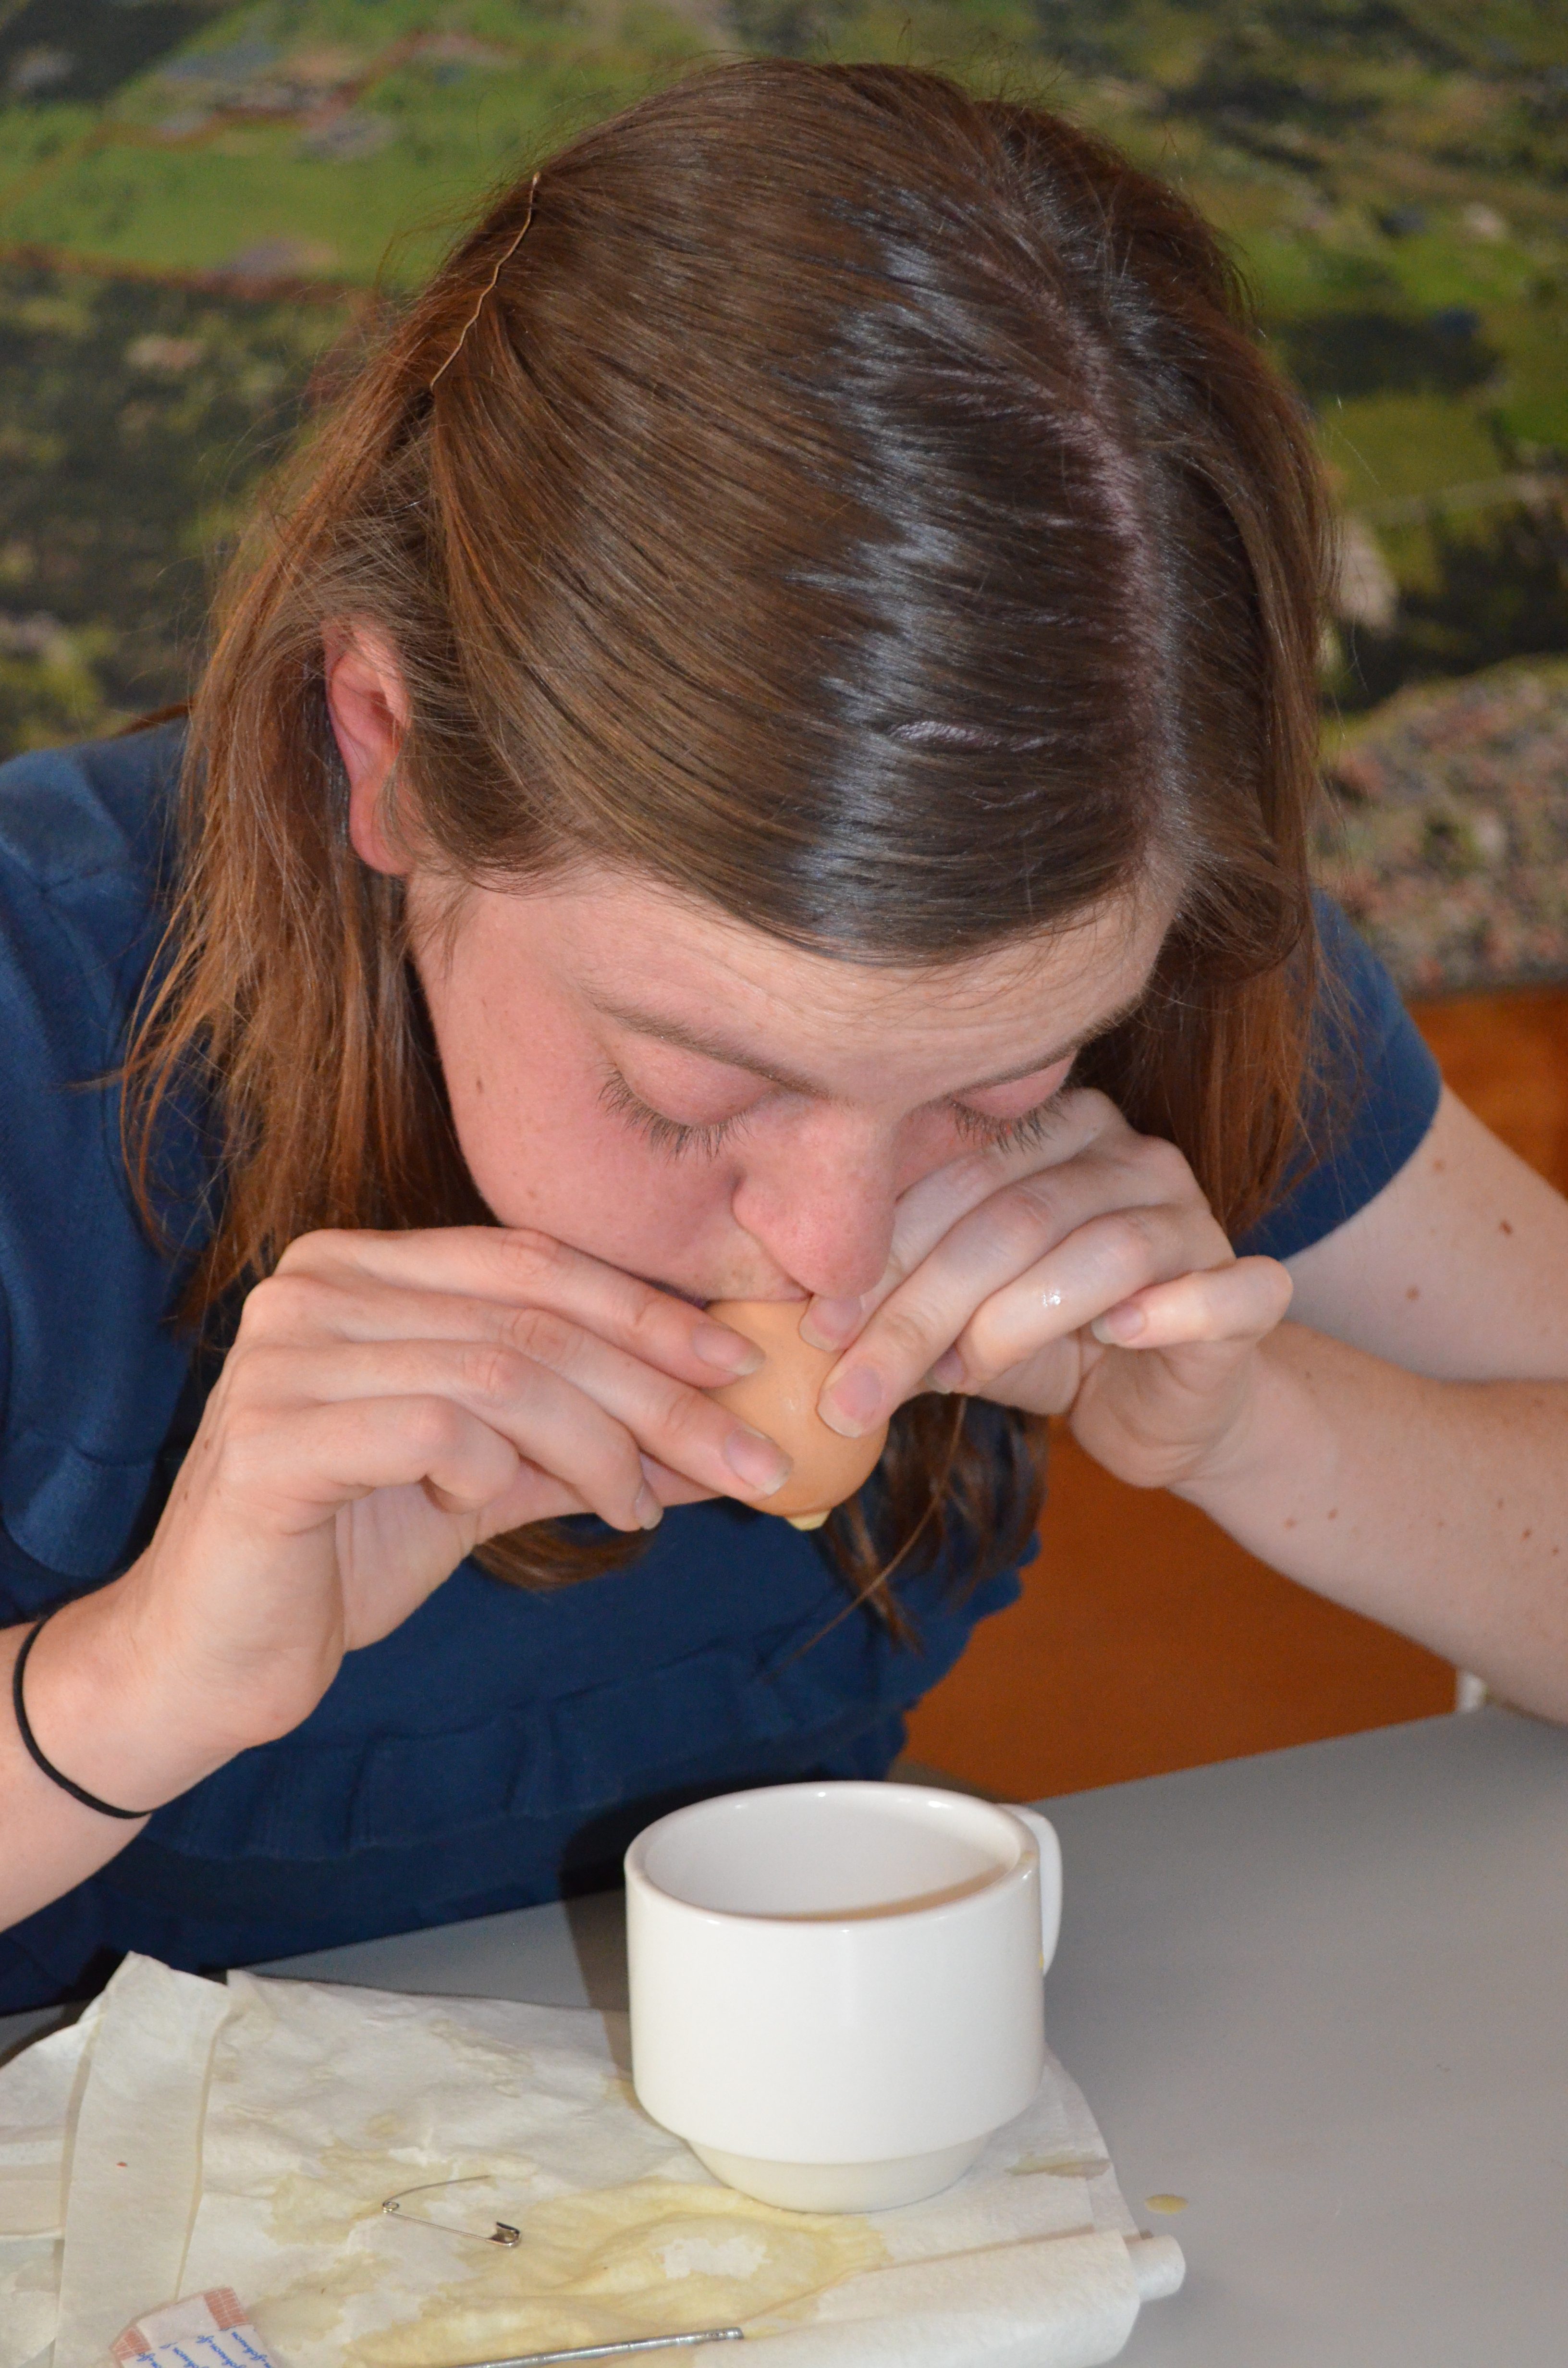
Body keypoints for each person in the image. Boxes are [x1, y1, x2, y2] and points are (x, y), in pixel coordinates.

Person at [2, 62, 1565, 2013]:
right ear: (386, 757)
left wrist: (1257, 1422)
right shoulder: (35, 1006)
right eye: (693, 1089)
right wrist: (127, 1681)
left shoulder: (1123, 928)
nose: (835, 1256)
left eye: (998, 1097)